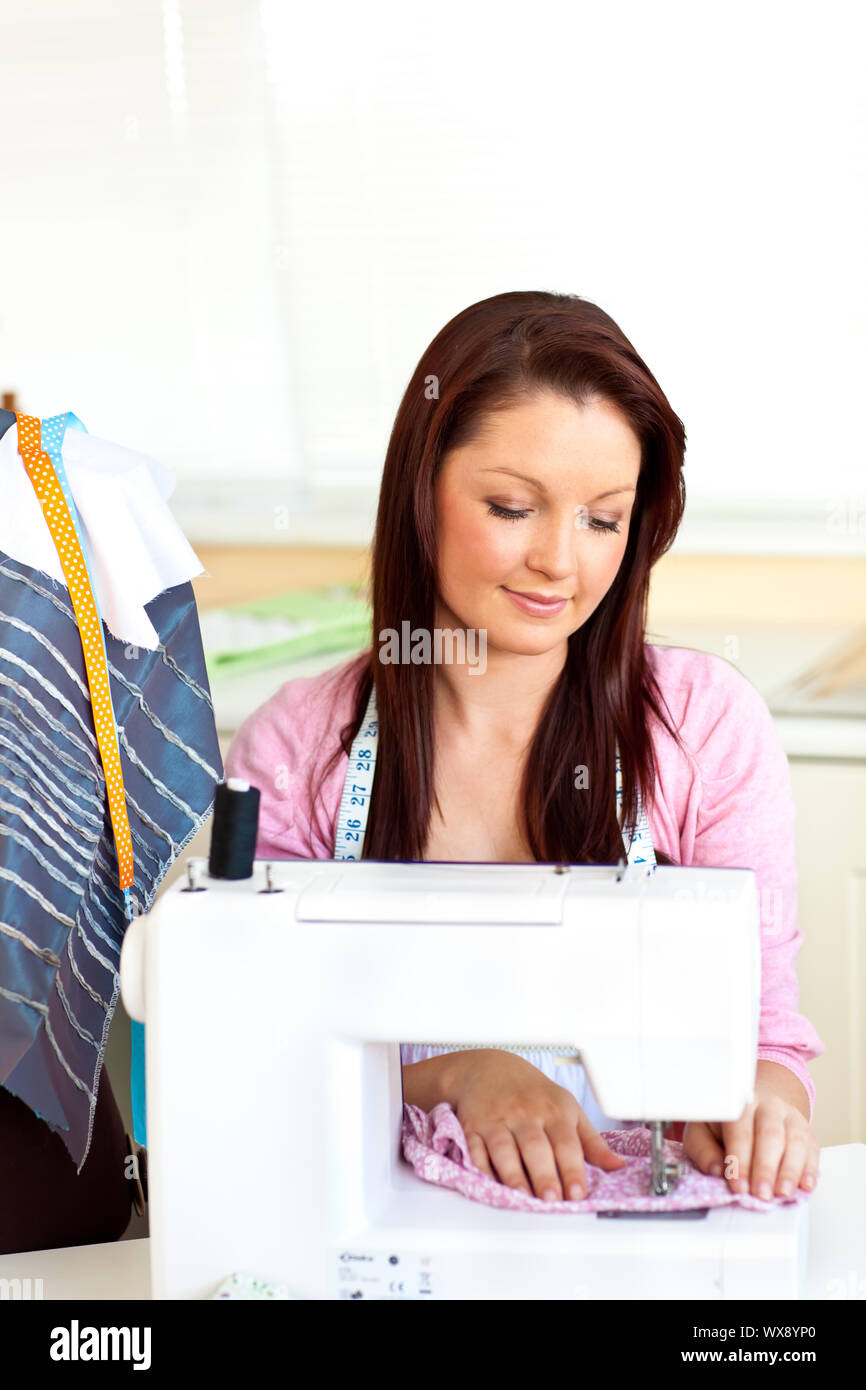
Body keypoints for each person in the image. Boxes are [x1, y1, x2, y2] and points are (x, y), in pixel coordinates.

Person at [224, 289, 824, 1206]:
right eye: (512, 506)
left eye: (603, 518)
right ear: (421, 492)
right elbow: (262, 1047)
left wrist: (766, 1102)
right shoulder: (301, 753)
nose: (561, 560)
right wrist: (457, 1073)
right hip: (381, 1228)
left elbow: (766, 1035)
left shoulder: (702, 731)